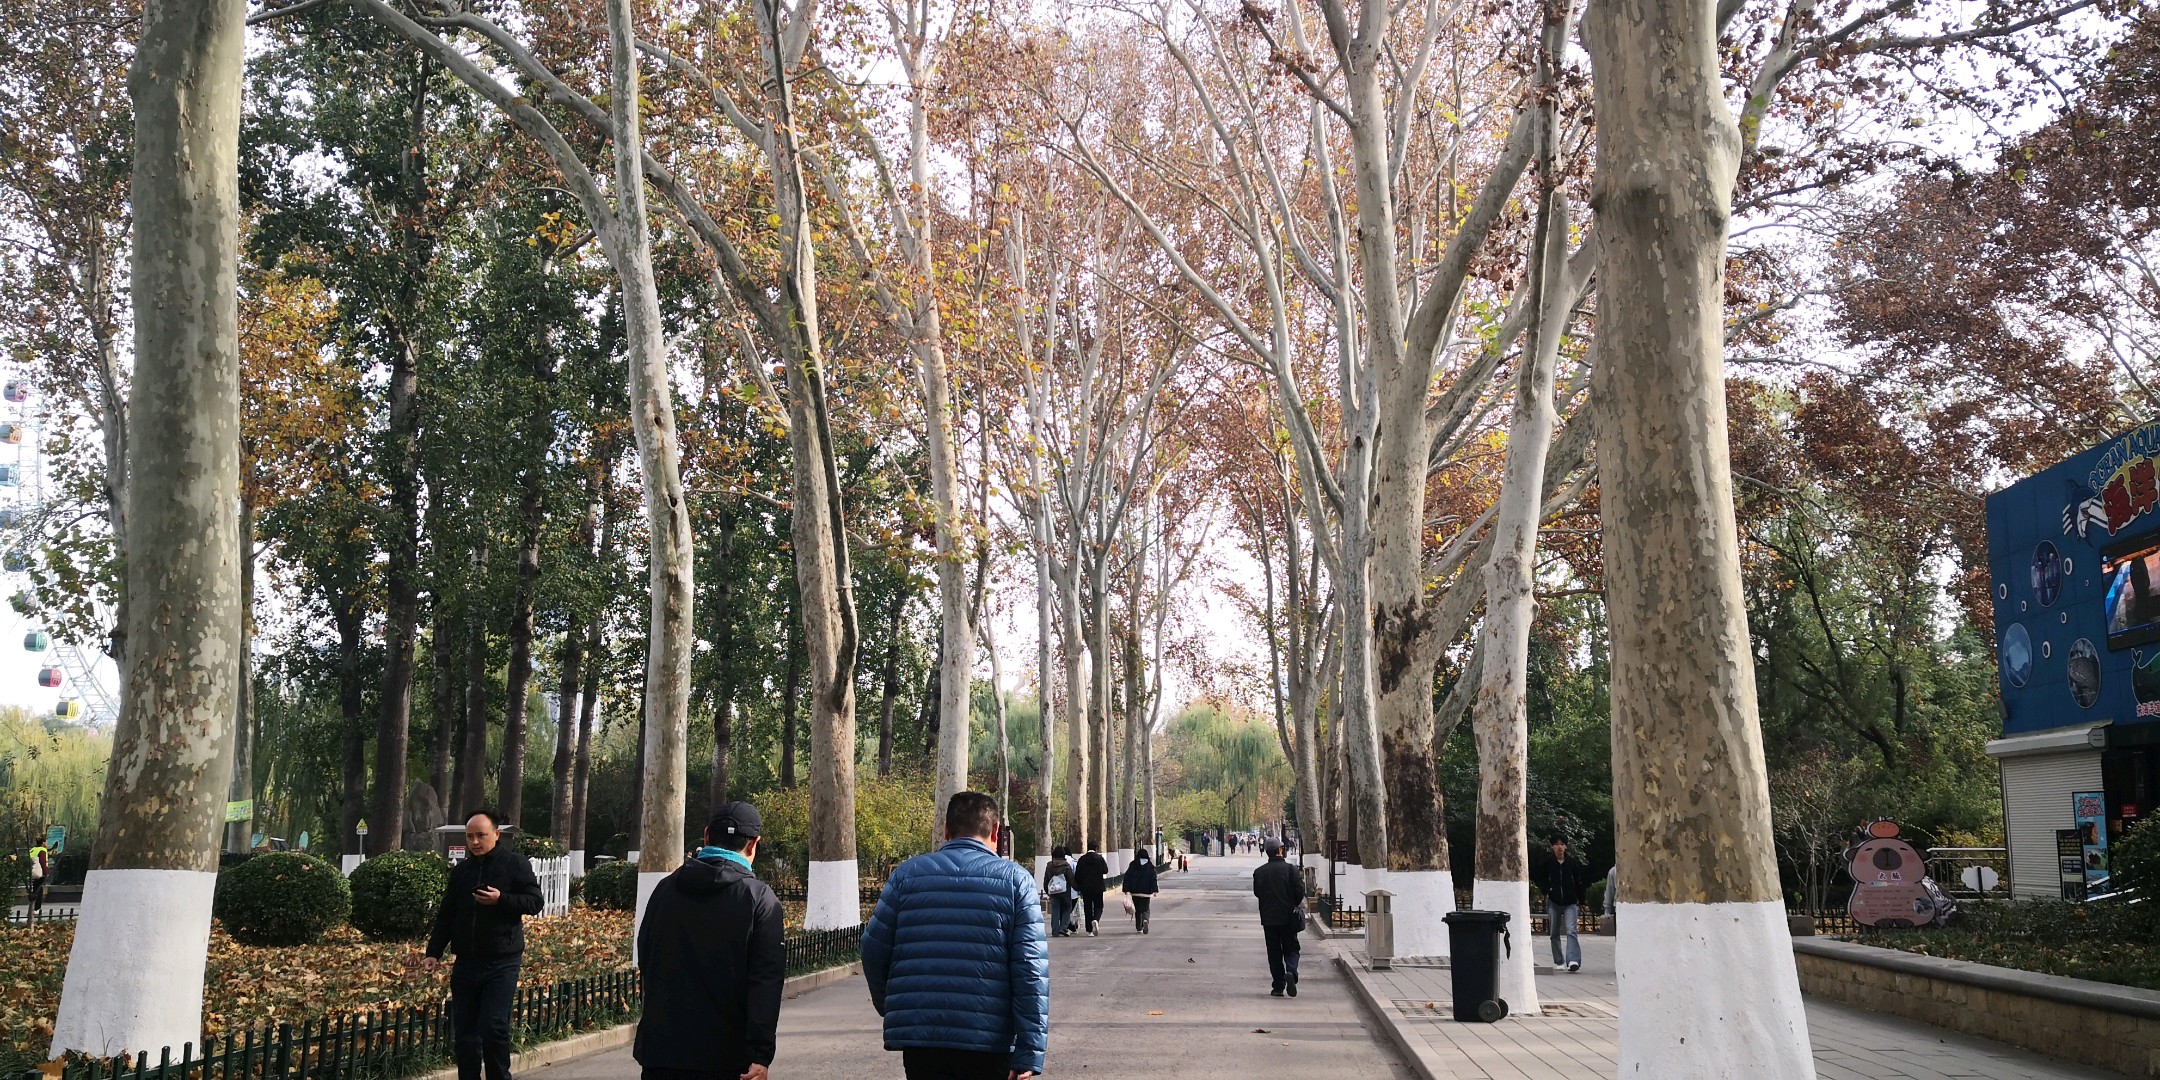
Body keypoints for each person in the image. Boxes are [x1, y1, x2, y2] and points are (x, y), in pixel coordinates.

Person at [863, 792, 1048, 1080]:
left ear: (946, 829)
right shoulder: (1016, 881)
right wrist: (1029, 1049)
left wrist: (890, 1004)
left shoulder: (906, 876)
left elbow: (872, 948)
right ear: (995, 832)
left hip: (922, 1034)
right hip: (990, 1039)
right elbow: (1030, 969)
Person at [634, 801, 786, 1080]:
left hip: (661, 1053)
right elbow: (766, 981)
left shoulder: (665, 889)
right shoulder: (759, 899)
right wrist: (760, 1054)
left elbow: (646, 956)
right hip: (727, 1058)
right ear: (754, 844)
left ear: (706, 836)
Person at [424, 810, 545, 1080]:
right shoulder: (462, 872)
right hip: (466, 963)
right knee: (465, 1035)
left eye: (481, 835)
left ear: (496, 834)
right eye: (470, 836)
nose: (475, 842)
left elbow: (535, 902)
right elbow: (447, 914)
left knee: (493, 1027)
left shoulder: (515, 865)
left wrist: (501, 899)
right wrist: (433, 952)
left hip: (502, 962)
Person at [1253, 839, 1305, 997]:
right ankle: (1291, 972)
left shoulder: (1259, 872)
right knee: (1292, 948)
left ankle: (1278, 986)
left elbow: (1257, 893)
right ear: (1280, 850)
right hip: (1288, 917)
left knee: (1274, 952)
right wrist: (1293, 904)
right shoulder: (1291, 870)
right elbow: (1299, 890)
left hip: (1269, 918)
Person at [1537, 837, 1593, 972]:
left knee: (1571, 930)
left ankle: (1573, 960)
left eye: (1562, 844)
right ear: (1552, 847)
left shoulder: (1572, 863)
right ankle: (1559, 961)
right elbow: (1541, 879)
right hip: (1554, 901)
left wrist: (1581, 900)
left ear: (1566, 846)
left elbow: (1578, 882)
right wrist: (1547, 890)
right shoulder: (1547, 863)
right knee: (1554, 932)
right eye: (1556, 844)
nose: (1559, 847)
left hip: (1570, 902)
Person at [1072, 844, 1109, 936]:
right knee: (1098, 906)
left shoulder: (1082, 859)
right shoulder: (1099, 858)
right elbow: (1105, 870)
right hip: (1098, 887)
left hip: (1086, 888)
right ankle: (1096, 919)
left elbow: (1077, 875)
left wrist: (1079, 886)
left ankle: (1089, 930)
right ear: (1096, 848)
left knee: (1087, 907)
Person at [1123, 848, 1159, 933]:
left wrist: (1126, 890)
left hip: (1135, 892)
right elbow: (1153, 879)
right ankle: (1145, 919)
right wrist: (1155, 890)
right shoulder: (1149, 865)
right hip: (1146, 892)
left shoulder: (1133, 864)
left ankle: (1139, 927)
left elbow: (1127, 877)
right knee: (1145, 908)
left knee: (1138, 910)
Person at [1043, 846, 1077, 938]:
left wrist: (1047, 890)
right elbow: (1071, 879)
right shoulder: (1066, 866)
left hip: (1053, 891)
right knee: (1067, 908)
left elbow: (1046, 879)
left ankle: (1055, 931)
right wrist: (1076, 888)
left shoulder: (1049, 865)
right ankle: (1063, 928)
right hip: (1065, 891)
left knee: (1055, 910)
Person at [25, 838, 49, 913]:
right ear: (43, 843)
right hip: (39, 872)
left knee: (36, 888)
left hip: (31, 872)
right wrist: (46, 873)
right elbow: (42, 862)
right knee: (38, 889)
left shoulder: (32, 850)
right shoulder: (42, 850)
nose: (47, 844)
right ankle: (36, 908)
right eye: (46, 842)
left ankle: (33, 907)